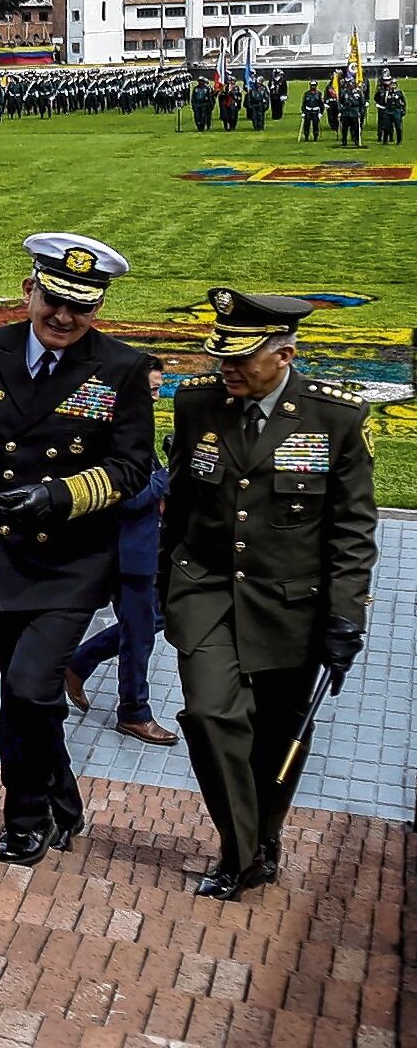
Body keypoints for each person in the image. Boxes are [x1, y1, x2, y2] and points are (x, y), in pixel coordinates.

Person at [161, 289, 376, 900]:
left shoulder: (334, 418)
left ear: (285, 354)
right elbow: (178, 504)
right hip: (204, 591)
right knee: (209, 715)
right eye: (220, 356)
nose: (225, 369)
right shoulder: (200, 404)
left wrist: (345, 618)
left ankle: (261, 840)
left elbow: (353, 529)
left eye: (242, 359)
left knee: (279, 734)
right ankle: (242, 850)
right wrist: (160, 586)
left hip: (292, 605)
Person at [0, 234, 153, 871]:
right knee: (31, 696)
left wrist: (61, 495)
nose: (65, 318)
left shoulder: (119, 368)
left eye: (82, 307)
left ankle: (27, 819)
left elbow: (131, 468)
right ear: (29, 292)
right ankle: (64, 798)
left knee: (24, 686)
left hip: (70, 562)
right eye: (55, 301)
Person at [64, 355, 177, 745]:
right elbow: (125, 497)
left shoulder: (132, 425)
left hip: (140, 547)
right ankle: (133, 711)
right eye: (150, 390)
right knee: (142, 631)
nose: (156, 398)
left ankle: (81, 662)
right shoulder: (109, 434)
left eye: (160, 390)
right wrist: (166, 478)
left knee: (149, 623)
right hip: (123, 549)